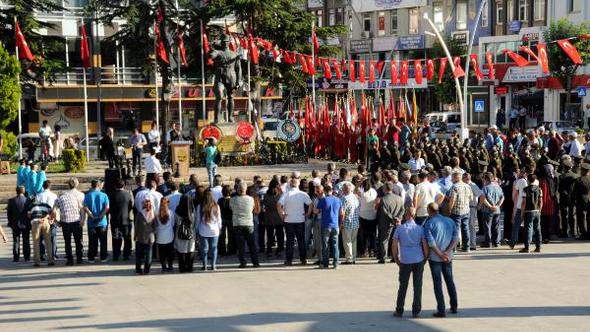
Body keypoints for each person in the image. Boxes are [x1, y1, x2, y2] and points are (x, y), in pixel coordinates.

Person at [423, 203, 459, 318]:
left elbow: (431, 242)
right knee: (450, 280)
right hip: (448, 257)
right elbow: (455, 238)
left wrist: (440, 254)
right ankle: (454, 306)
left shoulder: (429, 223)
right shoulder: (450, 221)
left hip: (435, 258)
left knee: (437, 283)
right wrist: (447, 252)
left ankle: (441, 309)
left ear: (429, 210)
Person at [392, 207, 428, 318]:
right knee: (417, 286)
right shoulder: (420, 229)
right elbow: (424, 244)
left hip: (405, 260)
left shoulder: (400, 229)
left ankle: (399, 309)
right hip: (418, 259)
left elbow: (394, 245)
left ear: (407, 216)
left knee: (403, 285)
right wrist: (425, 257)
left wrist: (396, 258)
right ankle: (416, 310)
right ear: (414, 216)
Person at [277, 178, 312, 266]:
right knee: (301, 240)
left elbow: (278, 205)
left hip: (289, 220)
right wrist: (307, 214)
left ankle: (289, 260)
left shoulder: (286, 194)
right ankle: (303, 259)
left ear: (290, 184)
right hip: (300, 219)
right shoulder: (302, 194)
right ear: (298, 184)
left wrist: (282, 215)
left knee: (290, 241)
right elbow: (310, 204)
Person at [230, 181, 260, 268]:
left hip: (238, 223)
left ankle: (243, 262)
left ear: (238, 190)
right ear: (245, 189)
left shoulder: (233, 199)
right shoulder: (251, 199)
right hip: (249, 223)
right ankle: (255, 262)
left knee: (241, 245)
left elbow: (231, 208)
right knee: (252, 245)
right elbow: (253, 208)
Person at [376, 182, 405, 264]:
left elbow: (385, 212)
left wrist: (393, 218)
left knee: (384, 240)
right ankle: (395, 256)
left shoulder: (383, 199)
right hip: (397, 222)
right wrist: (398, 218)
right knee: (395, 239)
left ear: (385, 189)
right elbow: (403, 209)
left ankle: (383, 258)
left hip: (386, 222)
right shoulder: (399, 198)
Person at [83, 179, 110, 263]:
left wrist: (92, 216)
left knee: (92, 241)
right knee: (103, 241)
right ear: (99, 185)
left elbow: (85, 207)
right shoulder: (104, 195)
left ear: (91, 185)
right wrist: (100, 216)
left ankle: (91, 257)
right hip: (102, 222)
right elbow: (107, 207)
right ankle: (103, 257)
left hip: (91, 221)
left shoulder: (87, 195)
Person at [315, 184, 341, 269]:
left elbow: (317, 211)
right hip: (335, 225)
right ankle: (336, 264)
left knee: (325, 245)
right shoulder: (338, 200)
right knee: (335, 245)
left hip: (325, 225)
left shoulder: (323, 200)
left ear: (325, 191)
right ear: (332, 190)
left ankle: (325, 264)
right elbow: (342, 213)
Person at [447, 170, 473, 252]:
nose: (451, 179)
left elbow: (452, 199)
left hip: (456, 211)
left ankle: (454, 248)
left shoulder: (454, 187)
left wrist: (449, 209)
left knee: (456, 229)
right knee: (465, 228)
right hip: (466, 210)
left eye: (452, 177)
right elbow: (471, 198)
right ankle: (466, 247)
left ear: (455, 177)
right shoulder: (467, 186)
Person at [197, 190, 222, 270]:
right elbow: (219, 219)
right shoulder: (216, 206)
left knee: (204, 249)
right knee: (214, 248)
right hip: (214, 230)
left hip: (203, 230)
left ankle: (205, 265)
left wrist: (196, 229)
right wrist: (220, 227)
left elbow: (198, 219)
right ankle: (213, 265)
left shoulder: (200, 206)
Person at [108, 179, 133, 261]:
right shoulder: (128, 194)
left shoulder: (111, 195)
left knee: (116, 238)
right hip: (125, 218)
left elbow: (109, 207)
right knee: (126, 237)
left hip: (114, 219)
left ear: (115, 186)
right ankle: (126, 254)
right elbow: (131, 205)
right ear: (124, 186)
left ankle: (116, 254)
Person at [28, 196, 54, 267]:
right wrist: (46, 218)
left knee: (36, 242)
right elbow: (52, 212)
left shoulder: (31, 205)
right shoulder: (46, 204)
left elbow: (29, 215)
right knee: (48, 242)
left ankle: (37, 262)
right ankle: (50, 260)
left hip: (36, 222)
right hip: (45, 222)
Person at [480, 172, 504, 248]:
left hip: (487, 210)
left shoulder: (485, 188)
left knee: (487, 226)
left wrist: (490, 206)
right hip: (497, 210)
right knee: (496, 226)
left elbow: (483, 198)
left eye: (483, 178)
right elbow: (502, 197)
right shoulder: (498, 187)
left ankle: (488, 242)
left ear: (485, 178)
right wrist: (497, 206)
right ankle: (497, 242)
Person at [520, 174, 543, 253]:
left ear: (528, 180)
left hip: (528, 211)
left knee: (528, 229)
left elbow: (524, 202)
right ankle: (538, 246)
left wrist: (522, 213)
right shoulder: (539, 189)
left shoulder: (525, 189)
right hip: (536, 211)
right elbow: (541, 201)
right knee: (537, 229)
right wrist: (540, 209)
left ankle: (527, 247)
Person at [262, 179, 284, 257]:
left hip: (268, 216)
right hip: (278, 216)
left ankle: (269, 250)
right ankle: (279, 250)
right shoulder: (279, 196)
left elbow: (264, 204)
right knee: (280, 234)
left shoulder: (266, 195)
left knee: (269, 234)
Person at [7, 186, 30, 262]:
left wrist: (10, 222)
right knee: (26, 240)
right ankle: (26, 256)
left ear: (16, 191)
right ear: (23, 191)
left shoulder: (11, 200)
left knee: (16, 240)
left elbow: (9, 214)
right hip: (25, 223)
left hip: (15, 223)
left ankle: (16, 257)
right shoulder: (27, 200)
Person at [36, 180, 58, 261]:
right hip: (51, 217)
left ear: (43, 186)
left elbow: (37, 207)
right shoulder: (54, 195)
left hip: (41, 218)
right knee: (53, 237)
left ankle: (42, 254)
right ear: (50, 186)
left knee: (41, 237)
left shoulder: (38, 196)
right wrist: (54, 218)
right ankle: (53, 254)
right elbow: (55, 208)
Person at [134, 196, 156, 274]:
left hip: (140, 237)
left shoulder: (140, 214)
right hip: (150, 238)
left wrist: (135, 236)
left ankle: (138, 269)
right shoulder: (153, 214)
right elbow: (155, 226)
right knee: (149, 254)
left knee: (139, 254)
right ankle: (147, 270)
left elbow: (136, 226)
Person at [175, 194, 196, 272]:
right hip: (191, 233)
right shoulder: (193, 210)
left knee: (181, 251)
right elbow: (195, 222)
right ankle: (190, 267)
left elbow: (176, 221)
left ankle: (182, 268)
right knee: (190, 251)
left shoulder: (177, 210)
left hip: (180, 233)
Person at [340, 182, 360, 264]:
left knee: (347, 241)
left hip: (347, 222)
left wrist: (341, 223)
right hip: (355, 222)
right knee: (353, 241)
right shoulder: (355, 197)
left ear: (344, 190)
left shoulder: (344, 199)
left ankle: (349, 258)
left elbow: (342, 212)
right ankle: (353, 257)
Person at [358, 179, 378, 257]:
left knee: (364, 235)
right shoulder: (374, 191)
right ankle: (372, 250)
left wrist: (358, 184)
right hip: (373, 215)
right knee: (372, 234)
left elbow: (355, 191)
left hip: (363, 215)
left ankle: (364, 250)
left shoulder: (362, 193)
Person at [156, 197, 175, 272]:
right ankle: (170, 266)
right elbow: (173, 224)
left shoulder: (157, 213)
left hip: (160, 235)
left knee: (162, 253)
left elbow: (156, 225)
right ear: (168, 203)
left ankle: (164, 267)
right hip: (169, 235)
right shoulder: (171, 212)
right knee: (170, 252)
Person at [218, 184, 236, 256]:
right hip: (230, 219)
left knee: (222, 236)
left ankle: (222, 250)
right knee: (231, 235)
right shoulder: (232, 200)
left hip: (222, 219)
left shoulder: (220, 200)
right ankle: (231, 249)